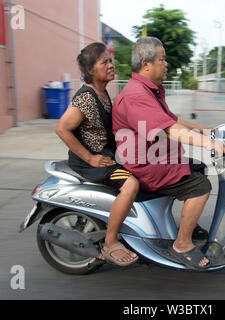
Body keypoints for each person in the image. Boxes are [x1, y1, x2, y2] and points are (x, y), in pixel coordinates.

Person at [112, 37, 225, 271]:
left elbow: (170, 118)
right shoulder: (136, 95)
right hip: (145, 163)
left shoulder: (151, 90)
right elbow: (169, 129)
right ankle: (182, 244)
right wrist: (208, 143)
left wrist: (202, 130)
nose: (166, 64)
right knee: (200, 187)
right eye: (162, 59)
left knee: (199, 167)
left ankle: (189, 225)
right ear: (146, 64)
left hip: (155, 156)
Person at [55, 42, 139, 266]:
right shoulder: (87, 98)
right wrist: (90, 158)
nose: (111, 65)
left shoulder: (102, 93)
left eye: (110, 60)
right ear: (91, 70)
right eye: (105, 62)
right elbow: (62, 128)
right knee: (131, 184)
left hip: (106, 156)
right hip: (92, 163)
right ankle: (110, 242)